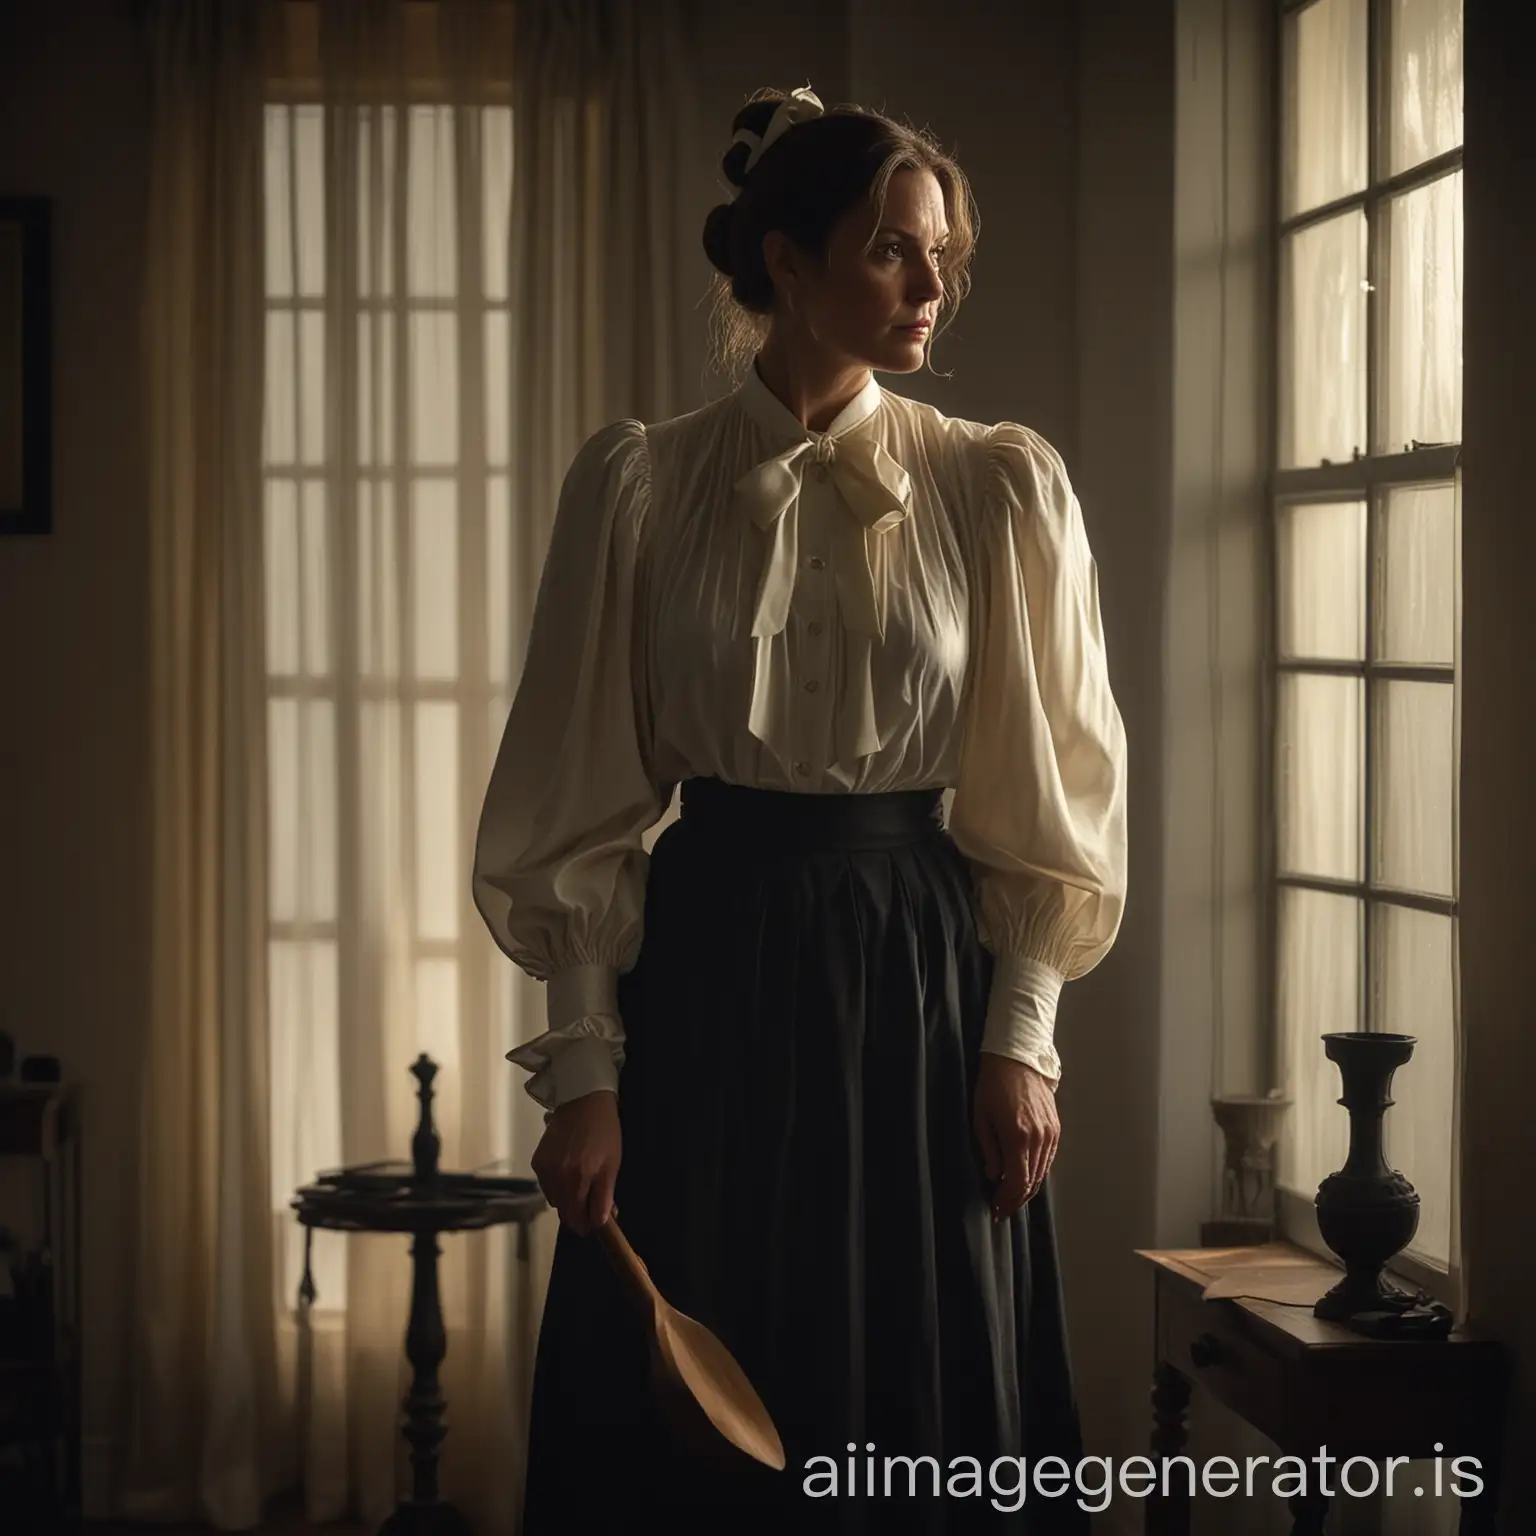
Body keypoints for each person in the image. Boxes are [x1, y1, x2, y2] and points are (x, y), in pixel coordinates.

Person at [471, 84, 1128, 1535]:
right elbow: (576, 799)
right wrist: (585, 1072)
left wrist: (1024, 1041)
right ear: (785, 259)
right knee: (694, 1402)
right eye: (895, 249)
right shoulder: (642, 485)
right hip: (708, 974)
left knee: (914, 1382)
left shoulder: (997, 488)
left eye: (944, 252)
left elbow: (1050, 791)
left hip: (919, 987)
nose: (933, 285)